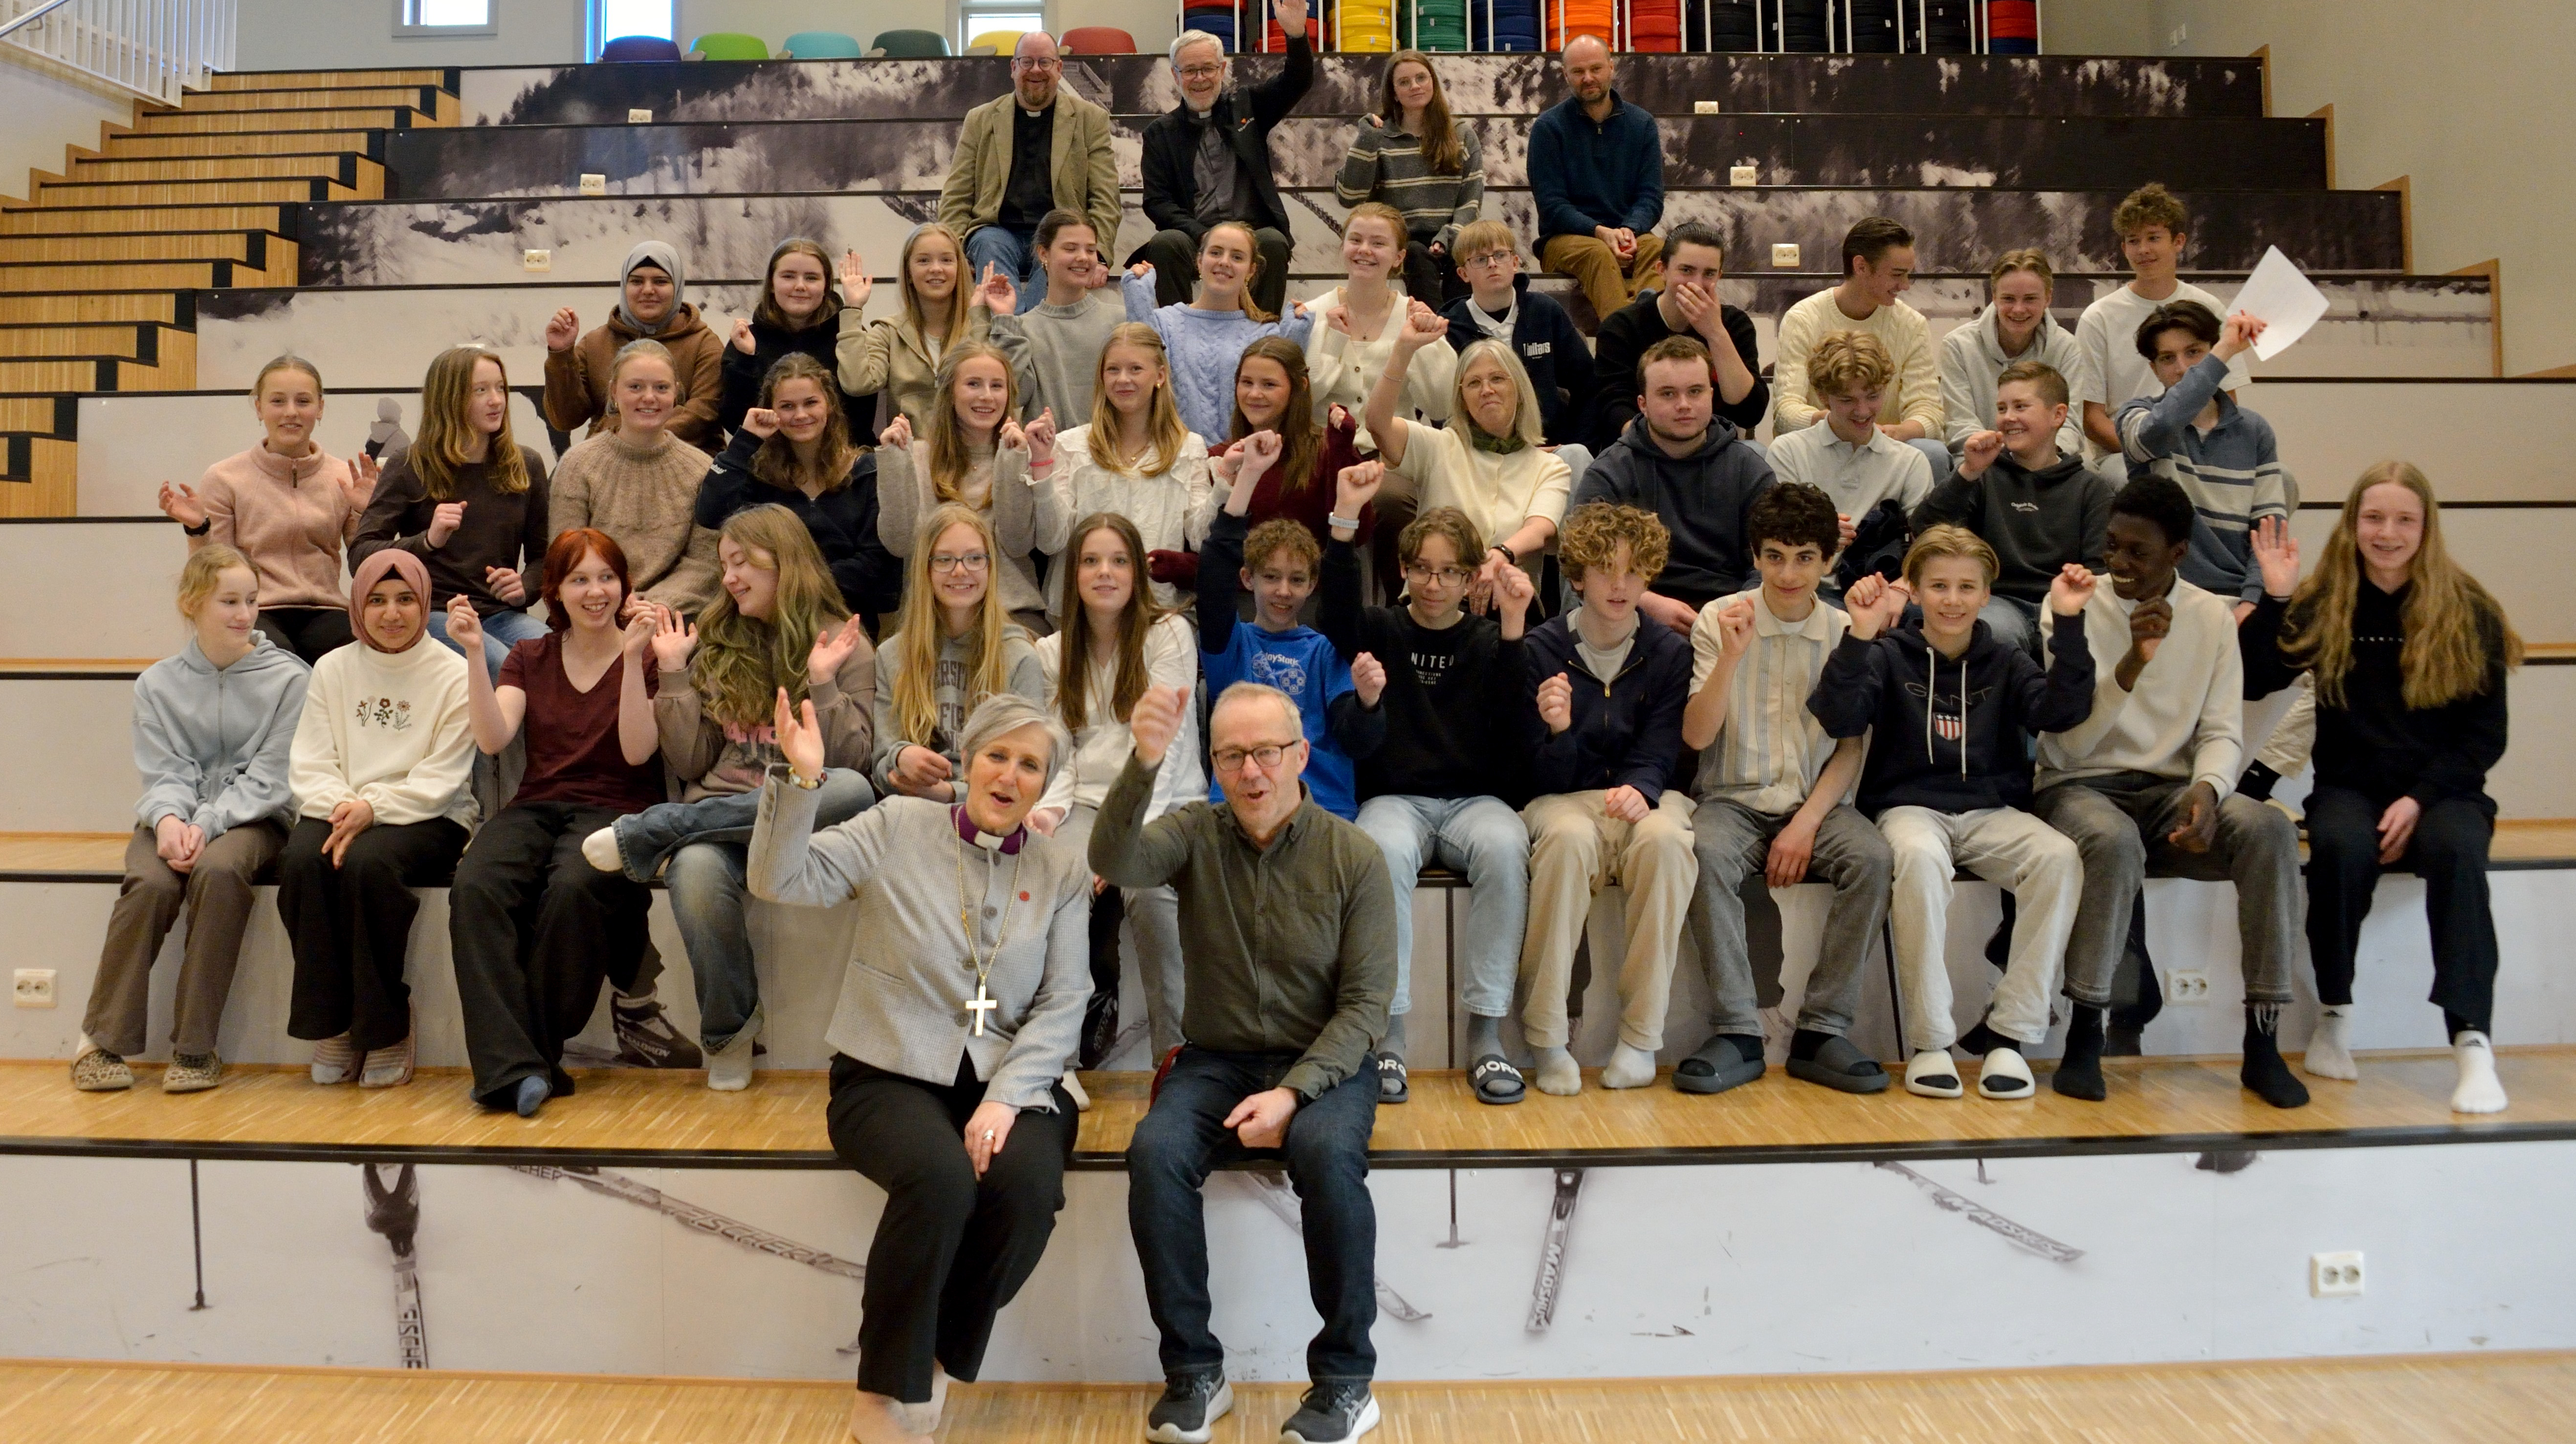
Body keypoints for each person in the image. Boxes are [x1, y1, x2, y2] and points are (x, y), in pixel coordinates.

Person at [752, 690, 1087, 1444]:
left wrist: (1006, 1099)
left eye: (1030, 764)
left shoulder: (1061, 868)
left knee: (1028, 1189)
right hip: (887, 1071)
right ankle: (880, 1391)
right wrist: (800, 783)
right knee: (939, 1180)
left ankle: (936, 1361)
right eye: (997, 755)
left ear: (1045, 782)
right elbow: (783, 881)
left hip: (1015, 1079)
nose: (1008, 775)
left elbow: (1067, 1000)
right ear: (969, 761)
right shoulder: (896, 824)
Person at [1094, 680, 1397, 1444]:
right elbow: (1115, 857)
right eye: (1232, 755)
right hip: (1217, 1057)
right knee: (1155, 1152)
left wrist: (1293, 1095)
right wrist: (1142, 762)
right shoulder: (1193, 831)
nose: (1251, 771)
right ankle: (1194, 1371)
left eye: (1266, 751)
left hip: (1324, 1060)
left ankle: (1345, 1381)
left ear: (1300, 754)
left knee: (1327, 1155)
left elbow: (1364, 1009)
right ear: (1216, 765)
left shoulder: (1356, 855)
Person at [2244, 468, 2520, 1112]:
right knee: (2339, 846)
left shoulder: (2469, 608)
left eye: (2403, 520)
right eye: (2374, 519)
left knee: (2456, 851)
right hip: (2351, 790)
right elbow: (2258, 678)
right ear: (2353, 524)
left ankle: (2471, 1040)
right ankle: (2334, 1013)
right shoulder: (2324, 600)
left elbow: (2485, 737)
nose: (2387, 534)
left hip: (2443, 794)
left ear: (2425, 528)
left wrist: (2419, 799)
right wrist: (2277, 599)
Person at [2031, 476, 2309, 1109]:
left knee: (2266, 828)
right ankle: (2085, 1032)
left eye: (2139, 552)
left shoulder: (2210, 616)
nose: (2119, 564)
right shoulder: (2071, 604)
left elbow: (2219, 729)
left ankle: (2262, 1042)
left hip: (2167, 792)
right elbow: (2068, 743)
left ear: (2178, 554)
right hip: (2077, 786)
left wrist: (2210, 790)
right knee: (2111, 837)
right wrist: (2132, 663)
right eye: (2111, 546)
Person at [584, 506, 877, 1089]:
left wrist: (822, 680)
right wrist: (671, 673)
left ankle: (656, 828)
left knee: (854, 789)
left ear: (784, 561)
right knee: (693, 869)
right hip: (723, 829)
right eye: (724, 565)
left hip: (807, 820)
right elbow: (692, 760)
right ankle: (731, 1034)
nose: (730, 578)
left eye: (742, 562)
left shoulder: (844, 643)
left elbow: (853, 763)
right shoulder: (717, 639)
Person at [1808, 530, 2097, 1100]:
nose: (1952, 599)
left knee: (2059, 856)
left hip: (1991, 809)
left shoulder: (2007, 660)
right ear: (1912, 590)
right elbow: (1837, 716)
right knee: (1914, 858)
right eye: (1938, 586)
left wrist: (2066, 622)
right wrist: (1858, 638)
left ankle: (2010, 1036)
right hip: (1909, 806)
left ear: (1987, 593)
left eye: (1967, 587)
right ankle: (1931, 1041)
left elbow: (2061, 711)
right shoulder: (1889, 657)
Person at [1323, 461, 1537, 1106]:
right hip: (1396, 799)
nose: (1434, 583)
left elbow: (1514, 731)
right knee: (1378, 850)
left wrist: (1514, 630)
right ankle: (1388, 1034)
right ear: (1404, 571)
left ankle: (1486, 1033)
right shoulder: (1383, 629)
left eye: (1449, 571)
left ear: (1473, 577)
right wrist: (1342, 522)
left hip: (1476, 800)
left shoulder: (1488, 637)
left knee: (1506, 847)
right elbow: (1335, 604)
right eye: (1422, 569)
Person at [1676, 485, 1893, 1097]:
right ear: (1756, 556)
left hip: (1818, 804)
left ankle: (1823, 1030)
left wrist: (1805, 824)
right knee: (1704, 852)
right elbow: (1696, 734)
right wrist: (1729, 658)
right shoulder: (1721, 617)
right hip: (1731, 799)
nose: (1788, 572)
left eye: (1804, 557)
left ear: (1828, 560)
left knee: (1873, 858)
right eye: (1774, 556)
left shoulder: (1850, 628)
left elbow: (1850, 747)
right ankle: (1738, 1029)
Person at [73, 546, 308, 1094]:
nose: (244, 614)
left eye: (251, 600)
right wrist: (171, 819)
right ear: (192, 604)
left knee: (220, 872)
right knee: (151, 882)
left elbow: (273, 776)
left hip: (256, 818)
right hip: (175, 816)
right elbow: (163, 771)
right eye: (229, 601)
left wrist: (210, 821)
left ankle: (196, 1048)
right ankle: (100, 1039)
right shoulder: (157, 684)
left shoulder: (292, 679)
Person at [444, 530, 662, 1117]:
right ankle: (524, 1067)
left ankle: (521, 1064)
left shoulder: (646, 651)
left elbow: (639, 753)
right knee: (475, 886)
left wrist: (634, 657)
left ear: (624, 586)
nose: (596, 592)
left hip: (620, 805)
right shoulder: (528, 655)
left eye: (607, 578)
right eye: (579, 579)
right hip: (538, 802)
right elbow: (493, 738)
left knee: (573, 887)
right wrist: (471, 652)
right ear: (556, 591)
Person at [1517, 502, 1696, 1096]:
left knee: (1668, 841)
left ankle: (1642, 1038)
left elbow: (1665, 741)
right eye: (1603, 570)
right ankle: (1545, 1035)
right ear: (1576, 577)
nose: (1619, 585)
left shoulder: (1668, 652)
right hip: (1563, 796)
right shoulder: (1542, 648)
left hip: (1642, 792)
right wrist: (1561, 732)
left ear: (1649, 577)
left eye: (1632, 571)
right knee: (1567, 840)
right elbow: (1536, 774)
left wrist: (1643, 789)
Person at [279, 549, 475, 1090]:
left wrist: (375, 809)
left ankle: (386, 1025)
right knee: (301, 860)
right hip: (342, 804)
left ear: (424, 603)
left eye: (406, 599)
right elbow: (312, 759)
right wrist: (346, 806)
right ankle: (336, 1021)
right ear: (357, 608)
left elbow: (445, 775)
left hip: (428, 813)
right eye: (378, 600)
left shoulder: (453, 672)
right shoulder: (332, 668)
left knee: (368, 867)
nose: (392, 613)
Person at [1029, 513, 1202, 1066]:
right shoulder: (1050, 652)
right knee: (1057, 883)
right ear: (1073, 574)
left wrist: (1127, 839)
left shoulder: (1168, 633)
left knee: (1150, 896)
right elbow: (1059, 749)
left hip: (1165, 804)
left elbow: (1168, 751)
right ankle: (1056, 1057)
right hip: (1084, 804)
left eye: (1119, 560)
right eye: (1091, 560)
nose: (1105, 572)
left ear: (1137, 574)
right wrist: (1050, 814)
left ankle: (1174, 1060)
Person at [1198, 452, 1386, 823]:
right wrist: (1247, 478)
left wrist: (1367, 704)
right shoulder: (1231, 644)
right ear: (1248, 579)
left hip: (1321, 810)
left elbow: (1358, 742)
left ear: (1312, 585)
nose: (1283, 591)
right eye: (1271, 577)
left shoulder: (1327, 650)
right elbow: (1212, 582)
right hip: (1239, 807)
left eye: (1297, 579)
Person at [155, 355, 374, 663]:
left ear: (320, 408)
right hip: (254, 608)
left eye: (303, 401)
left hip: (327, 609)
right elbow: (213, 571)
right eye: (277, 401)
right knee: (275, 659)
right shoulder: (224, 477)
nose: (291, 413)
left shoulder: (343, 478)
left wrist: (369, 513)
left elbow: (366, 560)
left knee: (349, 654)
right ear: (259, 408)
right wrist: (198, 529)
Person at [352, 346, 553, 682]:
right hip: (435, 613)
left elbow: (544, 556)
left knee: (550, 654)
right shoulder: (409, 465)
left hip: (501, 614)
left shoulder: (526, 464)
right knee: (501, 665)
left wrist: (525, 585)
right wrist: (427, 542)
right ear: (449, 398)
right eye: (481, 390)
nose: (496, 400)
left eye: (500, 388)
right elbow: (362, 555)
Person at [1571, 336, 1775, 632]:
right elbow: (1587, 565)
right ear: (1642, 404)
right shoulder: (1609, 472)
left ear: (1711, 394)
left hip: (1734, 616)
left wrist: (1734, 611)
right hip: (1637, 617)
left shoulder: (1750, 470)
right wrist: (1645, 601)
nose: (1684, 405)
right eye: (1668, 394)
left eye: (1695, 392)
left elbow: (1769, 560)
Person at [1369, 306, 1569, 604]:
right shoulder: (1438, 446)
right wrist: (1404, 351)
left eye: (1498, 379)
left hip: (1506, 606)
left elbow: (1539, 530)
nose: (1486, 390)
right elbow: (1378, 424)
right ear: (1462, 398)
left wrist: (1500, 556)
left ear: (1520, 389)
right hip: (1431, 603)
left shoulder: (1549, 466)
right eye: (1474, 383)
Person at [1911, 359, 2109, 655]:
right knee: (1996, 633)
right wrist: (1968, 472)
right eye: (2002, 409)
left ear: (2058, 415)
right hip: (1998, 601)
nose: (2008, 417)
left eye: (2020, 407)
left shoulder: (2091, 489)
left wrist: (2080, 583)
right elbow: (1925, 529)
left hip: (2063, 602)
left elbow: (2100, 570)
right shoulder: (1982, 475)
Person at [1135, 2, 1315, 317]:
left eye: (1207, 68)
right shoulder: (1159, 133)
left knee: (1272, 242)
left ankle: (1263, 340)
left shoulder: (1249, 107)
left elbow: (1297, 80)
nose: (1200, 78)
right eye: (1189, 70)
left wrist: (1296, 33)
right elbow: (1158, 203)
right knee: (1165, 243)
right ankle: (1177, 332)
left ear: (1222, 70)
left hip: (1252, 231)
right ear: (1176, 77)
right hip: (1195, 236)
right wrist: (1201, 235)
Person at [876, 342, 1070, 631]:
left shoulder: (1027, 454)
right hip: (935, 617)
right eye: (973, 384)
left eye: (997, 386)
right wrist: (894, 461)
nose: (987, 396)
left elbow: (1018, 543)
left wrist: (1012, 461)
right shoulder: (917, 456)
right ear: (950, 393)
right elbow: (899, 543)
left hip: (1011, 613)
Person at [697, 353, 903, 622]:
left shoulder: (867, 472)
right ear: (771, 410)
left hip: (846, 617)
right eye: (787, 406)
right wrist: (745, 440)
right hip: (771, 619)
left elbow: (878, 564)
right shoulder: (760, 476)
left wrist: (796, 584)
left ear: (829, 404)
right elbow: (709, 514)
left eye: (810, 403)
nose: (801, 415)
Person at [2118, 303, 2291, 614]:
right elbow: (2165, 426)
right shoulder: (2137, 415)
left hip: (2238, 596)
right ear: (2154, 369)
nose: (2183, 368)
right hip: (2165, 595)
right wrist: (2224, 352)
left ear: (2209, 351)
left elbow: (2269, 533)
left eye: (2194, 353)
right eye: (2167, 358)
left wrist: (2251, 602)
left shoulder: (2254, 431)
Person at [873, 505, 1050, 808]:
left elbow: (1030, 771)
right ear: (925, 569)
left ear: (990, 568)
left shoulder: (1020, 658)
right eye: (944, 560)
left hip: (987, 812)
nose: (960, 570)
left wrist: (954, 795)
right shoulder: (892, 654)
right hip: (910, 807)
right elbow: (880, 765)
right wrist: (901, 757)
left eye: (974, 558)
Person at [2071, 182, 2249, 475]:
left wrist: (2197, 453)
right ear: (2123, 247)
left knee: (2283, 481)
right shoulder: (2098, 318)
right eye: (2133, 240)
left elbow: (2227, 399)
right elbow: (2092, 418)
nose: (2143, 250)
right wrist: (2146, 448)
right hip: (2126, 454)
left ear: (2178, 241)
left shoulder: (2210, 308)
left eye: (2154, 238)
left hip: (2202, 452)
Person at [939, 30, 1122, 316]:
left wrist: (1096, 255)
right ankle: (1020, 332)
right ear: (1013, 68)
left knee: (1058, 266)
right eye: (1027, 62)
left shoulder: (1090, 120)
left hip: (1057, 234)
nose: (1036, 70)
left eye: (1045, 62)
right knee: (988, 245)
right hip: (997, 232)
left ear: (1059, 69)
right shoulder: (981, 119)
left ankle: (1017, 336)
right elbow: (957, 195)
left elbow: (1105, 196)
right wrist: (953, 252)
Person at [546, 338, 721, 615]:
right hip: (594, 610)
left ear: (676, 393)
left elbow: (705, 562)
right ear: (614, 392)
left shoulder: (702, 469)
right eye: (635, 387)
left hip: (673, 616)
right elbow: (565, 556)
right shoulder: (578, 465)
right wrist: (612, 598)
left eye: (661, 388)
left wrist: (656, 604)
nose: (649, 397)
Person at [1772, 217, 1949, 485]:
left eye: (1908, 274)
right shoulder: (1803, 318)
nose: (1906, 285)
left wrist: (1890, 434)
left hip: (1887, 451)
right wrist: (1841, 424)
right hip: (1821, 448)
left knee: (1933, 453)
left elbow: (1929, 412)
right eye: (1897, 274)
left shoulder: (1911, 324)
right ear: (1861, 267)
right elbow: (1786, 413)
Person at [1051, 322, 1216, 608]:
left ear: (1160, 376)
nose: (1123, 379)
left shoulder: (1189, 449)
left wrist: (1225, 487)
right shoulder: (1071, 445)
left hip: (1154, 609)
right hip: (1082, 612)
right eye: (1113, 369)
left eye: (1136, 369)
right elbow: (1054, 539)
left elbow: (1201, 538)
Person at [1762, 330, 1934, 592]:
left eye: (1873, 396)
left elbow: (1925, 548)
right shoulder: (1788, 452)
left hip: (1882, 588)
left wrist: (1900, 591)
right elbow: (1772, 537)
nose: (1863, 411)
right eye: (1847, 400)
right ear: (1822, 397)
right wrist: (1817, 535)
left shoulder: (1911, 462)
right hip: (1804, 588)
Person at [1123, 220, 1318, 445]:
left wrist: (1296, 337)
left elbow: (1285, 404)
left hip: (1244, 465)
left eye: (1237, 257)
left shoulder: (1266, 334)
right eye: (1216, 253)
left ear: (1251, 270)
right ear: (1199, 261)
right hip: (1174, 462)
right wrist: (1137, 297)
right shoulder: (1164, 323)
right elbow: (1142, 380)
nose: (1224, 262)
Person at [1584, 220, 1765, 449]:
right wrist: (1663, 445)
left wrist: (1716, 333)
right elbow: (1613, 405)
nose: (1697, 284)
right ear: (1662, 270)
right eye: (1687, 270)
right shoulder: (1622, 327)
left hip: (1716, 448)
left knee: (1757, 452)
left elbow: (1750, 412)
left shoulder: (1734, 324)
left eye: (1709, 274)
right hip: (1643, 446)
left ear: (1719, 276)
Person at [836, 225, 1030, 437]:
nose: (936, 268)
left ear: (960, 269)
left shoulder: (981, 324)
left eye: (946, 260)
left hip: (975, 456)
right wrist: (853, 309)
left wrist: (982, 317)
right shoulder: (888, 331)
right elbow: (858, 383)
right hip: (912, 457)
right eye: (924, 261)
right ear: (908, 272)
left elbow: (1016, 388)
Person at [1528, 34, 1664, 324]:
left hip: (1629, 234)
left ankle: (1650, 329)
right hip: (1563, 241)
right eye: (1578, 72)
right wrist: (1601, 232)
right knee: (1599, 254)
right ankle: (1625, 344)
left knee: (1660, 250)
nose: (1588, 78)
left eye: (1596, 69)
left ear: (1612, 68)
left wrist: (1629, 229)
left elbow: (1650, 198)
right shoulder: (1548, 129)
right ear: (1566, 75)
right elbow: (1552, 206)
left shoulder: (1642, 125)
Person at [1335, 49, 1485, 307]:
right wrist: (1366, 139)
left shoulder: (1461, 134)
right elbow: (1349, 197)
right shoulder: (1378, 136)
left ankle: (1458, 330)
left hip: (1452, 235)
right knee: (1415, 253)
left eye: (1421, 78)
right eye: (1404, 82)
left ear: (1433, 83)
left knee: (1468, 254)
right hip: (1401, 240)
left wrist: (1448, 237)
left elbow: (1470, 202)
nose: (1415, 86)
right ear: (1394, 93)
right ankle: (1438, 334)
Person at [1302, 204, 1457, 451]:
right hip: (1320, 462)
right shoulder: (1310, 314)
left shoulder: (1415, 317)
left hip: (1393, 462)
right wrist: (1333, 340)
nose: (1364, 250)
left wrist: (1422, 346)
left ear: (1399, 257)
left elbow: (1441, 406)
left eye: (1378, 243)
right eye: (1355, 240)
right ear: (1342, 247)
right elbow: (1299, 401)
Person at [543, 241, 723, 448]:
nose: (648, 290)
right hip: (607, 465)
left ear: (678, 287)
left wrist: (625, 438)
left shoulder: (705, 344)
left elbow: (702, 415)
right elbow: (565, 419)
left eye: (661, 282)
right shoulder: (595, 343)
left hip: (685, 464)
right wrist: (561, 354)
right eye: (637, 282)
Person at [1442, 219, 1596, 448]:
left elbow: (1587, 383)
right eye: (1480, 260)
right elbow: (1444, 407)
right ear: (1464, 274)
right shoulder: (1449, 328)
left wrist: (1579, 444)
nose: (1493, 264)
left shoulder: (1545, 312)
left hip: (1549, 446)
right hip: (1478, 453)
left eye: (1500, 255)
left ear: (1515, 262)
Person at [718, 237, 874, 444]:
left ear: (826, 286)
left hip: (843, 458)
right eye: (789, 276)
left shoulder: (849, 335)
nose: (800, 286)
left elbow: (861, 420)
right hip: (768, 464)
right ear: (772, 284)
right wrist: (746, 361)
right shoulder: (747, 340)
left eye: (811, 278)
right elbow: (735, 423)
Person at [1218, 337, 1364, 553]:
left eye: (1269, 384)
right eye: (1247, 382)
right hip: (1237, 584)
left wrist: (1341, 455)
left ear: (1300, 386)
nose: (1254, 394)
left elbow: (1357, 536)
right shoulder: (1222, 456)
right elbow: (1212, 543)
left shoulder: (1325, 450)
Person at [1939, 249, 2083, 462]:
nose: (2018, 309)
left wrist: (2039, 459)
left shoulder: (2066, 348)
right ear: (1994, 297)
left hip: (2047, 461)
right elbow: (1960, 425)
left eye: (2030, 299)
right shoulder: (1958, 346)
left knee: (2090, 475)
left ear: (2048, 298)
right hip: (1982, 461)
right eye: (2008, 299)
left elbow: (2069, 424)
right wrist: (2002, 459)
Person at [998, 210, 1125, 421]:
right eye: (1070, 248)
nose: (1083, 258)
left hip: (1109, 450)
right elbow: (1012, 396)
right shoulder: (1022, 329)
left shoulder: (1120, 321)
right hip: (1048, 451)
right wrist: (1004, 319)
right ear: (1043, 254)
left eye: (1091, 250)